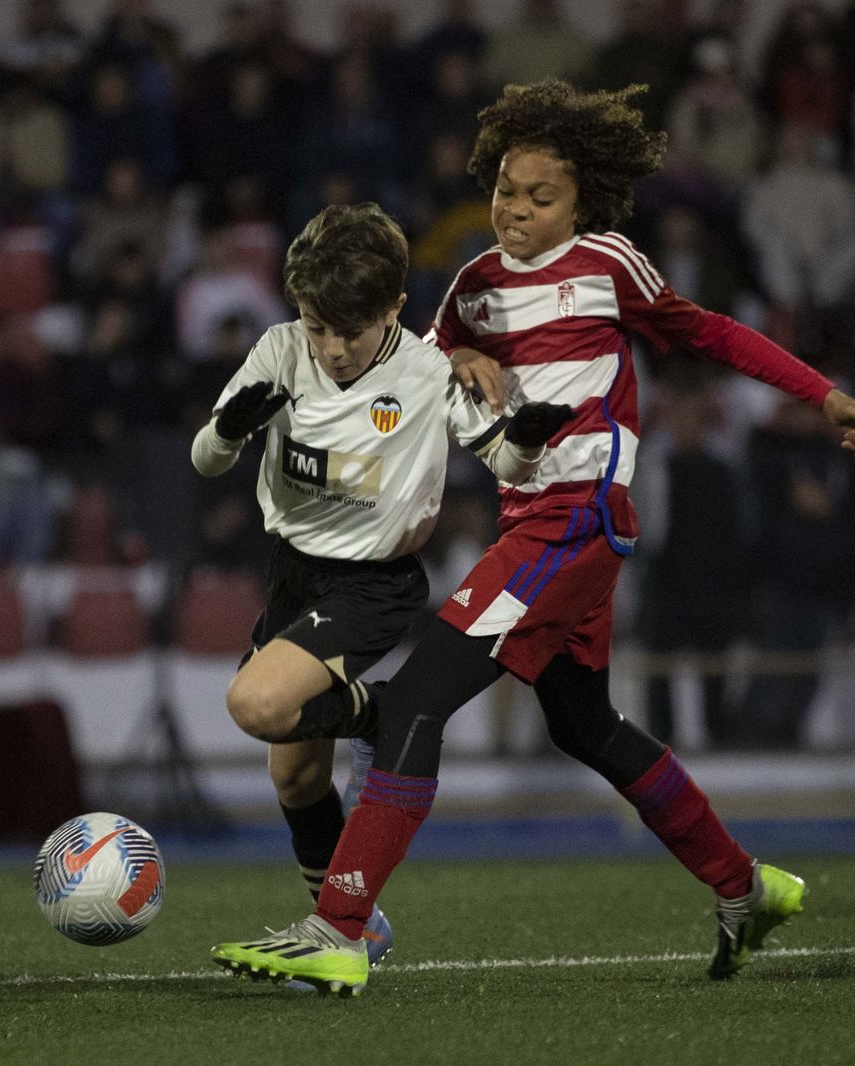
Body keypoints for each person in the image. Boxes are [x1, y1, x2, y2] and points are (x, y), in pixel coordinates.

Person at [211, 80, 855, 996]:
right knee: (584, 723)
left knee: (414, 705)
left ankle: (339, 925)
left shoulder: (610, 264)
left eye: (542, 196)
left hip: (578, 522)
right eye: (506, 193)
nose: (518, 211)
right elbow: (413, 366)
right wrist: (461, 353)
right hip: (527, 524)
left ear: (581, 202)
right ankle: (745, 885)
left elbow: (710, 333)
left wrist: (823, 394)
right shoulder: (474, 288)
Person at [192, 202, 572, 982]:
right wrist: (230, 429)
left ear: (395, 308)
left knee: (255, 706)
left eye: (350, 332)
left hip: (374, 585)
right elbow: (206, 459)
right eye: (317, 327)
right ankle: (352, 924)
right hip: (294, 574)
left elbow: (506, 467)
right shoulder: (280, 348)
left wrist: (528, 437)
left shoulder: (429, 372)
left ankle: (383, 711)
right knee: (293, 773)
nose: (330, 349)